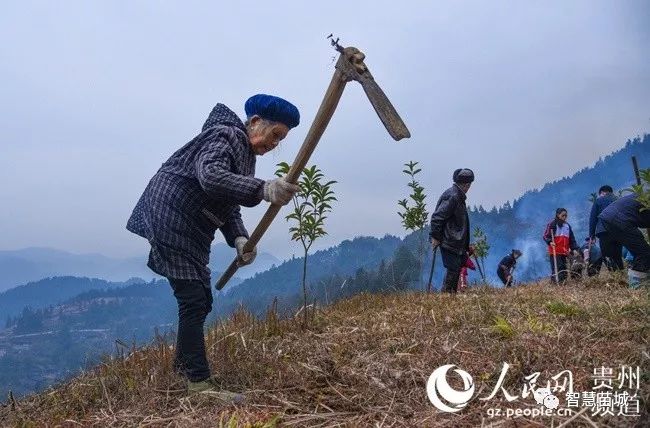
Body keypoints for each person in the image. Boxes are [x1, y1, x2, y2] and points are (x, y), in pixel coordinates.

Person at [126, 95, 301, 398]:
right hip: (172, 215)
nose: (275, 144)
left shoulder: (244, 154)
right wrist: (263, 189)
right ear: (256, 122)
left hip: (188, 224)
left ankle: (184, 370)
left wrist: (239, 239)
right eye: (275, 135)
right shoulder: (226, 135)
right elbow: (211, 176)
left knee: (198, 299)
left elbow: (228, 202)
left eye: (281, 139)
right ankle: (198, 383)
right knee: (193, 299)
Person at [430, 168, 474, 293]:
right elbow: (437, 218)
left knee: (455, 268)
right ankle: (448, 297)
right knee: (453, 269)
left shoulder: (457, 195)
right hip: (449, 240)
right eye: (469, 184)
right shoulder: (453, 196)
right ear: (466, 184)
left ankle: (449, 296)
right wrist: (436, 237)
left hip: (455, 241)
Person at [596, 194, 650, 272]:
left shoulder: (643, 194)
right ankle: (636, 282)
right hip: (620, 220)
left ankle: (623, 280)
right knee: (644, 254)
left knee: (614, 263)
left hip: (605, 220)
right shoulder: (646, 197)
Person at [589, 185, 622, 271]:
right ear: (611, 192)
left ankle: (615, 274)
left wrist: (591, 236)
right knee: (617, 255)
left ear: (602, 193)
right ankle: (621, 274)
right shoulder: (618, 199)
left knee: (606, 255)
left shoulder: (598, 201)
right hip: (619, 231)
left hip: (604, 231)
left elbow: (593, 219)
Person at [543, 208, 579, 284]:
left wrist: (574, 248)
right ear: (558, 215)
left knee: (564, 269)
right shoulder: (552, 224)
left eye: (566, 216)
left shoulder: (567, 226)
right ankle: (555, 285)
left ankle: (563, 285)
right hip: (555, 251)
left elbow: (572, 240)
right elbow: (546, 236)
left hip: (564, 251)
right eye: (563, 215)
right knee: (557, 269)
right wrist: (550, 242)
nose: (564, 217)